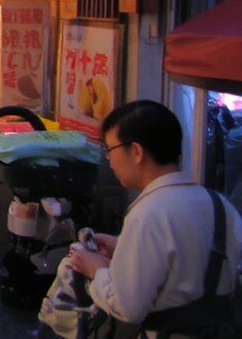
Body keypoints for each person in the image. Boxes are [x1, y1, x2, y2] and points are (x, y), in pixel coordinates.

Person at [41, 100, 242, 338]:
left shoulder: (147, 215)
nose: (110, 160)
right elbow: (191, 259)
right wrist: (123, 246)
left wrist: (97, 270)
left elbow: (127, 308)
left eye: (110, 150)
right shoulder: (221, 205)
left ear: (136, 152)